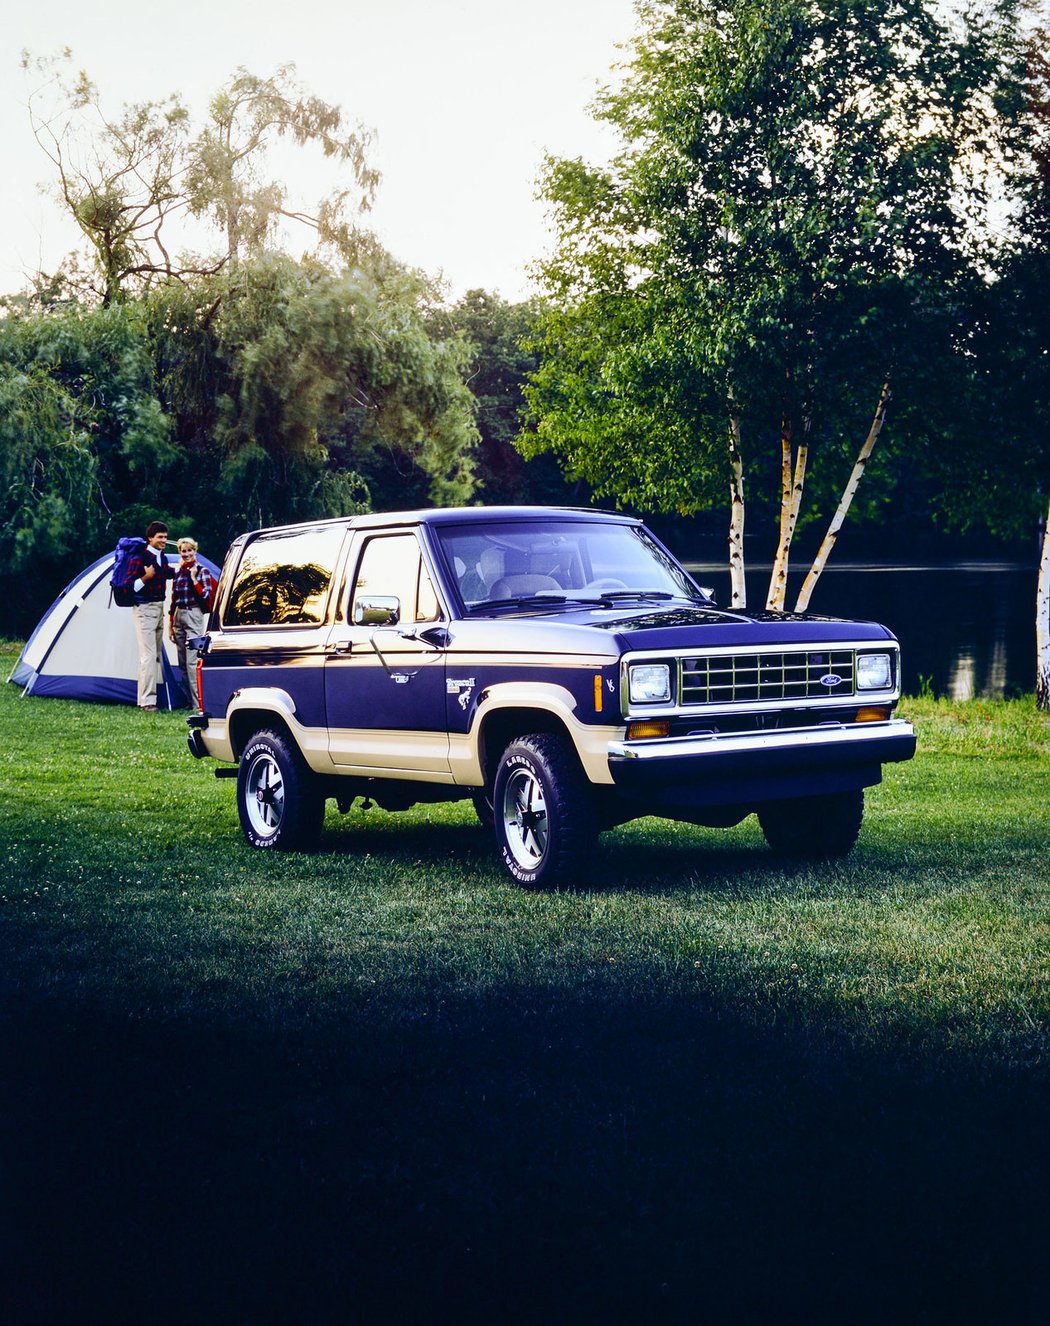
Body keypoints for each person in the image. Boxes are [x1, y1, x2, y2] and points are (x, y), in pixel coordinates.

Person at [129, 521, 175, 711]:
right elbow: (130, 586)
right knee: (148, 656)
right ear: (150, 538)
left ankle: (145, 698)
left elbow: (167, 573)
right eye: (160, 537)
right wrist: (146, 577)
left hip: (159, 608)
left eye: (165, 537)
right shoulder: (141, 557)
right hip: (145, 609)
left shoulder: (161, 557)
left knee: (153, 655)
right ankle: (148, 702)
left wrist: (188, 567)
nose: (164, 540)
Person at [168, 537, 214, 709]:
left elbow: (206, 597)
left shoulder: (202, 571)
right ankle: (189, 700)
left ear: (195, 551)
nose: (186, 554)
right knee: (181, 662)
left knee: (192, 661)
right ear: (179, 552)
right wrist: (171, 625)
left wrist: (194, 580)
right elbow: (173, 599)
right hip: (179, 614)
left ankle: (197, 704)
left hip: (193, 614)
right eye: (183, 551)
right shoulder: (178, 572)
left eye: (189, 550)